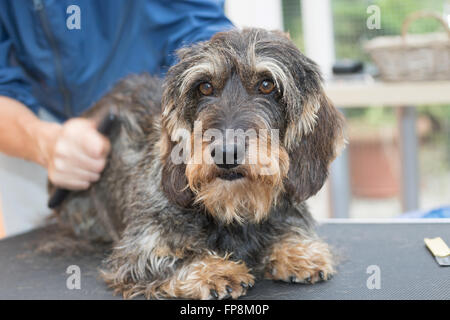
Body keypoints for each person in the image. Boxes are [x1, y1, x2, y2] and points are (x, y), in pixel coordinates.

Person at [0, 0, 232, 191]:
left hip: (149, 117)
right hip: (30, 123)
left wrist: (206, 101)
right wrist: (43, 143)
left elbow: (198, 29)